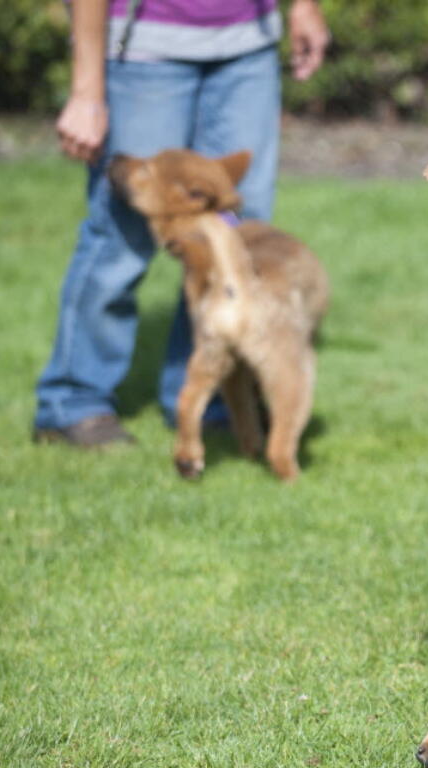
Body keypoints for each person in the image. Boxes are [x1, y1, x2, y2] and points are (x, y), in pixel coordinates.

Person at [33, 0, 329, 447]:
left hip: (248, 43)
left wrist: (305, 6)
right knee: (121, 238)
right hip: (143, 45)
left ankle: (199, 396)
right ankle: (73, 403)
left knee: (234, 235)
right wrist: (86, 90)